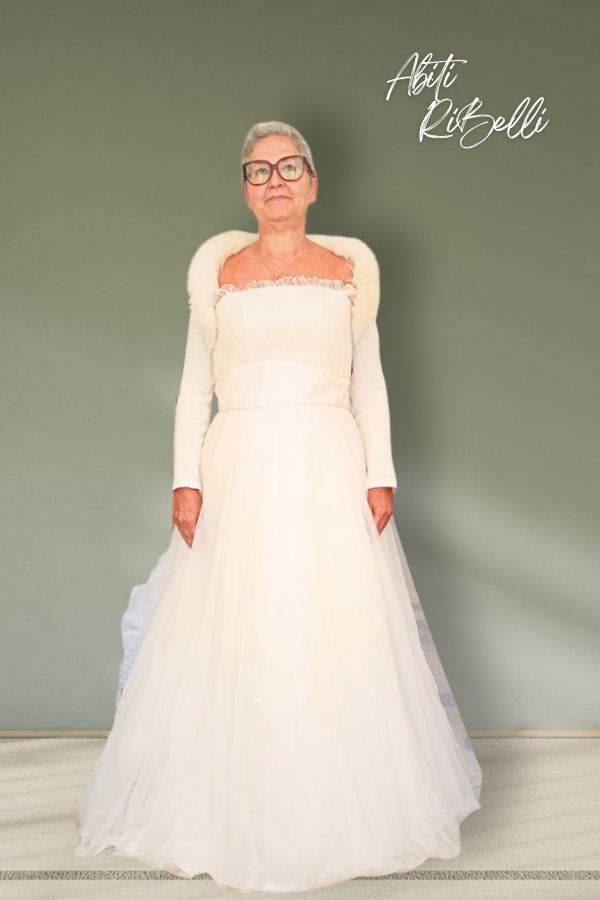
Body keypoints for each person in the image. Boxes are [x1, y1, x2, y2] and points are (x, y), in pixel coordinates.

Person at [75, 120, 482, 893]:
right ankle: (230, 808)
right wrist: (185, 479)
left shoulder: (349, 271)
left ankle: (336, 812)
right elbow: (195, 386)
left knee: (329, 624)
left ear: (314, 183)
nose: (276, 182)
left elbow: (368, 381)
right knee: (244, 623)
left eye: (290, 168)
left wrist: (381, 472)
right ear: (245, 189)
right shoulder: (219, 274)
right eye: (259, 171)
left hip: (328, 465)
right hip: (240, 466)